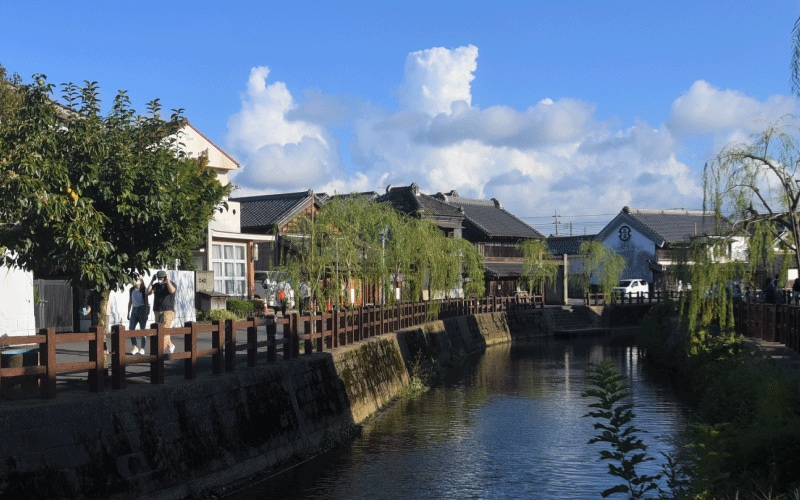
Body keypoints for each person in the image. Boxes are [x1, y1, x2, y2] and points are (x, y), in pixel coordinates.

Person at [148, 270, 176, 353]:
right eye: (159, 278)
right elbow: (148, 292)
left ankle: (162, 350)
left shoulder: (171, 284)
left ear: (165, 277)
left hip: (168, 310)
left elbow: (172, 291)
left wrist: (168, 281)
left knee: (165, 330)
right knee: (159, 331)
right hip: (157, 310)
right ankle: (170, 345)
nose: (160, 279)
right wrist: (152, 281)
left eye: (161, 278)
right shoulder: (156, 285)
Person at [127, 278, 149, 355]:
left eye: (138, 280)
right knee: (131, 328)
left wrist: (146, 313)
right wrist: (128, 312)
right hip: (134, 310)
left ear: (141, 282)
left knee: (143, 329)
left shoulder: (144, 290)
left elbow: (146, 302)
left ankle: (142, 348)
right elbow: (130, 301)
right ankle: (135, 347)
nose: (136, 282)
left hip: (142, 309)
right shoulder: (131, 290)